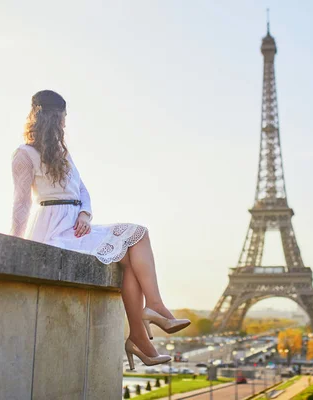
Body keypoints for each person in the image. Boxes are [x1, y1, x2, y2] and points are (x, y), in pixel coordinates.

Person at [10, 90, 190, 369]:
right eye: (62, 119)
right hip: (53, 228)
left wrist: (84, 213)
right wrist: (15, 243)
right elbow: (22, 202)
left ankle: (148, 320)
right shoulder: (24, 154)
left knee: (137, 236)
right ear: (48, 118)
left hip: (77, 223)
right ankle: (145, 331)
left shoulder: (63, 153)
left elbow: (82, 190)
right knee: (135, 243)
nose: (64, 124)